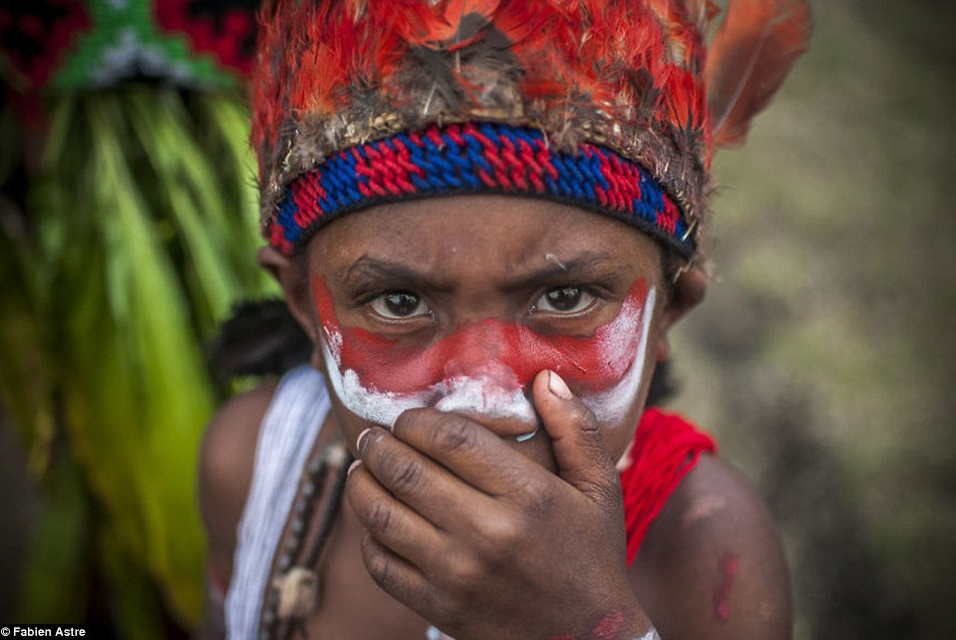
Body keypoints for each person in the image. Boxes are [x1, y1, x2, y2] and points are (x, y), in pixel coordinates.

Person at [199, 1, 811, 638]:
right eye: (400, 303)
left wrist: (586, 625)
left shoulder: (704, 550)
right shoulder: (252, 465)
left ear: (668, 311)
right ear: (302, 301)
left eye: (566, 298)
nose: (484, 400)